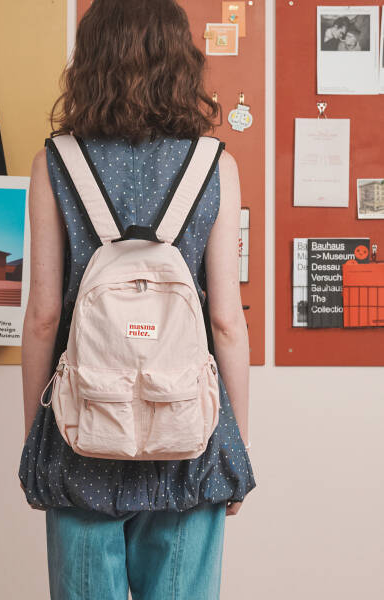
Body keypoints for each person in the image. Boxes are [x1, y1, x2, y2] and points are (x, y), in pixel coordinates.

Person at [19, 1, 256, 598]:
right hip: (188, 437)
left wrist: (35, 440)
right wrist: (236, 448)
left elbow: (44, 316)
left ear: (89, 62)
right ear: (181, 62)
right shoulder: (215, 165)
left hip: (83, 434)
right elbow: (226, 321)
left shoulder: (55, 163)